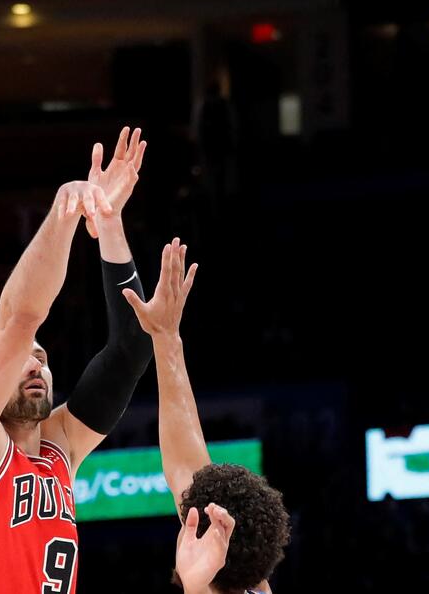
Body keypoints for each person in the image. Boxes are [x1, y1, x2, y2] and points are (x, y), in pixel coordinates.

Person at [0, 127, 153, 594]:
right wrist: (66, 210)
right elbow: (19, 319)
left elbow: (130, 349)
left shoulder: (59, 447)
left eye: (42, 358)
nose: (35, 365)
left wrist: (108, 223)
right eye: (20, 361)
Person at [124, 239, 291, 594]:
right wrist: (167, 338)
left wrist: (198, 584)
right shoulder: (258, 587)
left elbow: (187, 471)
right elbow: (187, 465)